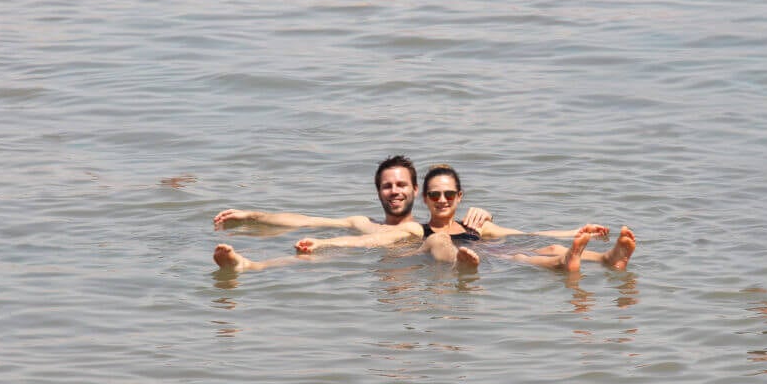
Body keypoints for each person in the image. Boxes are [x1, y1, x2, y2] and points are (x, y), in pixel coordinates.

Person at [294, 164, 636, 273]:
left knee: (538, 249)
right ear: (424, 198)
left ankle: (603, 259)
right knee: (438, 240)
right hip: (453, 260)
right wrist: (324, 242)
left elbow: (526, 233)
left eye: (448, 195)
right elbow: (370, 241)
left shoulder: (476, 226)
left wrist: (577, 230)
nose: (441, 200)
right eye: (434, 195)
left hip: (485, 258)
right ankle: (461, 264)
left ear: (459, 198)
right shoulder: (418, 227)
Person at [213, 156, 491, 272]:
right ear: (378, 191)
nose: (394, 191)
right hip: (372, 265)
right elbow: (305, 220)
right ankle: (250, 266)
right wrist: (251, 215)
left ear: (416, 190)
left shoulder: (425, 230)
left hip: (416, 269)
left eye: (401, 185)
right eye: (387, 186)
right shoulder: (363, 224)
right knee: (313, 257)